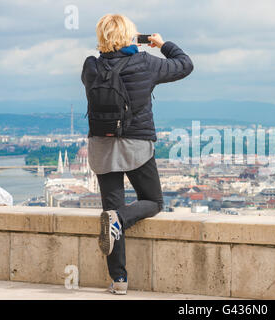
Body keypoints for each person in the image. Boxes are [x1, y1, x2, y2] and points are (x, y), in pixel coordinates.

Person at [81, 14, 193, 295]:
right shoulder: (145, 63)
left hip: (102, 147)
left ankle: (119, 281)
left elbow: (104, 63)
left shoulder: (91, 67)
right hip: (137, 146)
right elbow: (185, 65)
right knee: (153, 201)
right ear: (130, 36)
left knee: (110, 207)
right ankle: (120, 219)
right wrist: (163, 44)